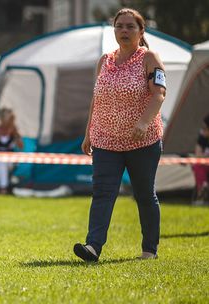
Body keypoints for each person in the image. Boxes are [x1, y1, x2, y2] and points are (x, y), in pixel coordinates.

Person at [73, 8, 166, 262]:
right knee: (102, 192)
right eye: (119, 26)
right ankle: (93, 247)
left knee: (144, 194)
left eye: (130, 27)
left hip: (142, 141)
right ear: (114, 30)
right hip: (105, 140)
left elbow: (159, 93)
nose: (124, 31)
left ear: (141, 31)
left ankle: (149, 250)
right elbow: (97, 98)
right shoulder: (104, 60)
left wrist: (144, 122)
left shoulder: (149, 58)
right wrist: (88, 133)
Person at [192, 114, 209, 205]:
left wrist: (204, 157)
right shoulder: (202, 138)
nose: (202, 130)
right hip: (204, 165)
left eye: (205, 127)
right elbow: (198, 155)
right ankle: (202, 191)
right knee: (197, 165)